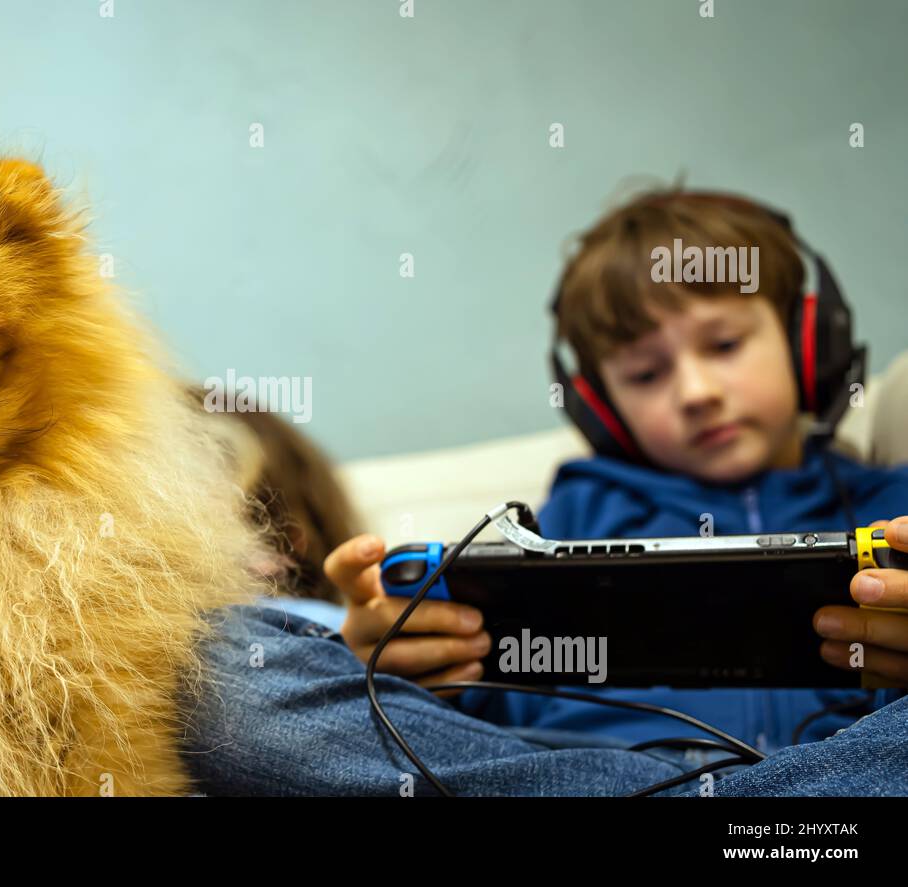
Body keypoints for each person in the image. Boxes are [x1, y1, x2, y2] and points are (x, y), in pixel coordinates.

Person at [180, 190, 908, 796]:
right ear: (600, 406)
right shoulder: (566, 521)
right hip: (602, 778)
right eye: (647, 374)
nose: (696, 392)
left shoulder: (896, 503)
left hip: (849, 766)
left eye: (724, 345)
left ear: (810, 339)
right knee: (219, 659)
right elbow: (489, 723)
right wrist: (392, 668)